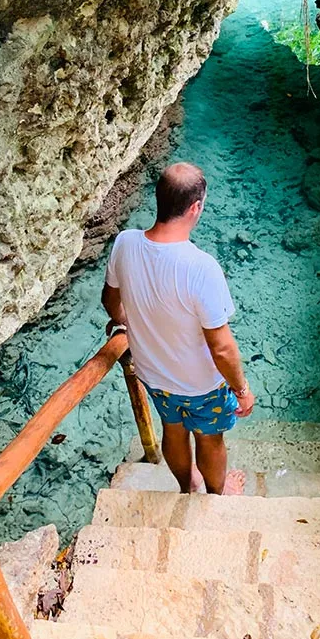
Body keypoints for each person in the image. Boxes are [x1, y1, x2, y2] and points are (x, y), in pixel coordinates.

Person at [101, 162, 255, 495]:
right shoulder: (201, 267)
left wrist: (126, 320)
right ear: (196, 207)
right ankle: (216, 494)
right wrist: (241, 389)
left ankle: (188, 486)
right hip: (201, 385)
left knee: (172, 429)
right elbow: (222, 348)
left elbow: (111, 302)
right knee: (209, 437)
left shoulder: (124, 244)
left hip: (153, 376)